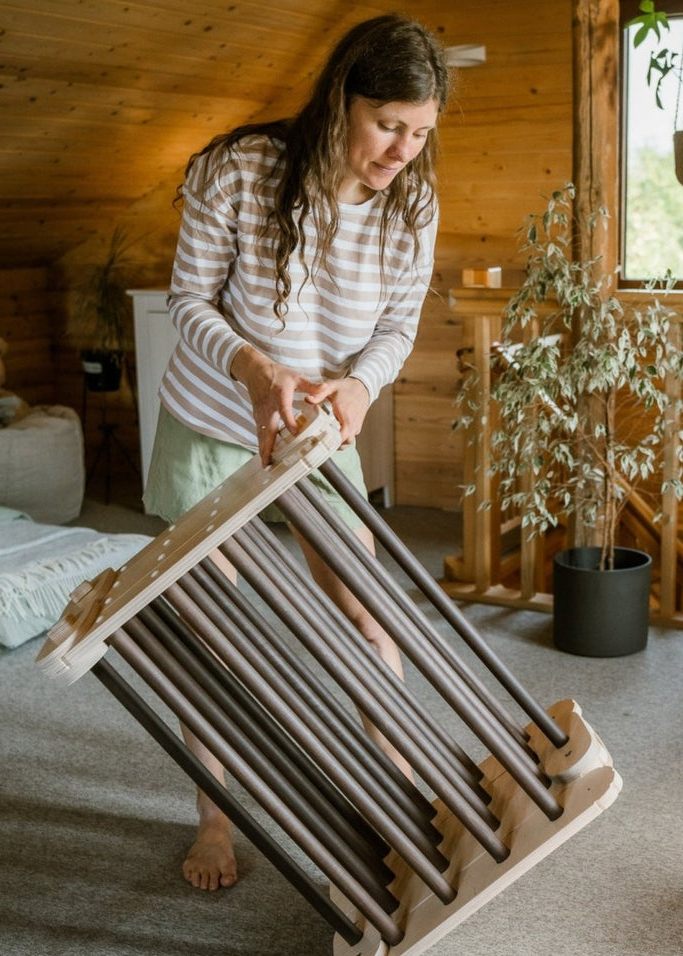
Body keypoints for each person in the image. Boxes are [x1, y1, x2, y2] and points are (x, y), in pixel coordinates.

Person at [143, 13, 450, 891]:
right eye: (389, 124)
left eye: (421, 133)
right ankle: (215, 822)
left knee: (368, 612)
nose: (402, 151)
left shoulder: (413, 201)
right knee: (215, 629)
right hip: (213, 418)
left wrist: (359, 386)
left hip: (318, 429)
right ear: (342, 98)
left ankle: (396, 802)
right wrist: (253, 367)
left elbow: (397, 326)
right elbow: (189, 300)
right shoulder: (236, 169)